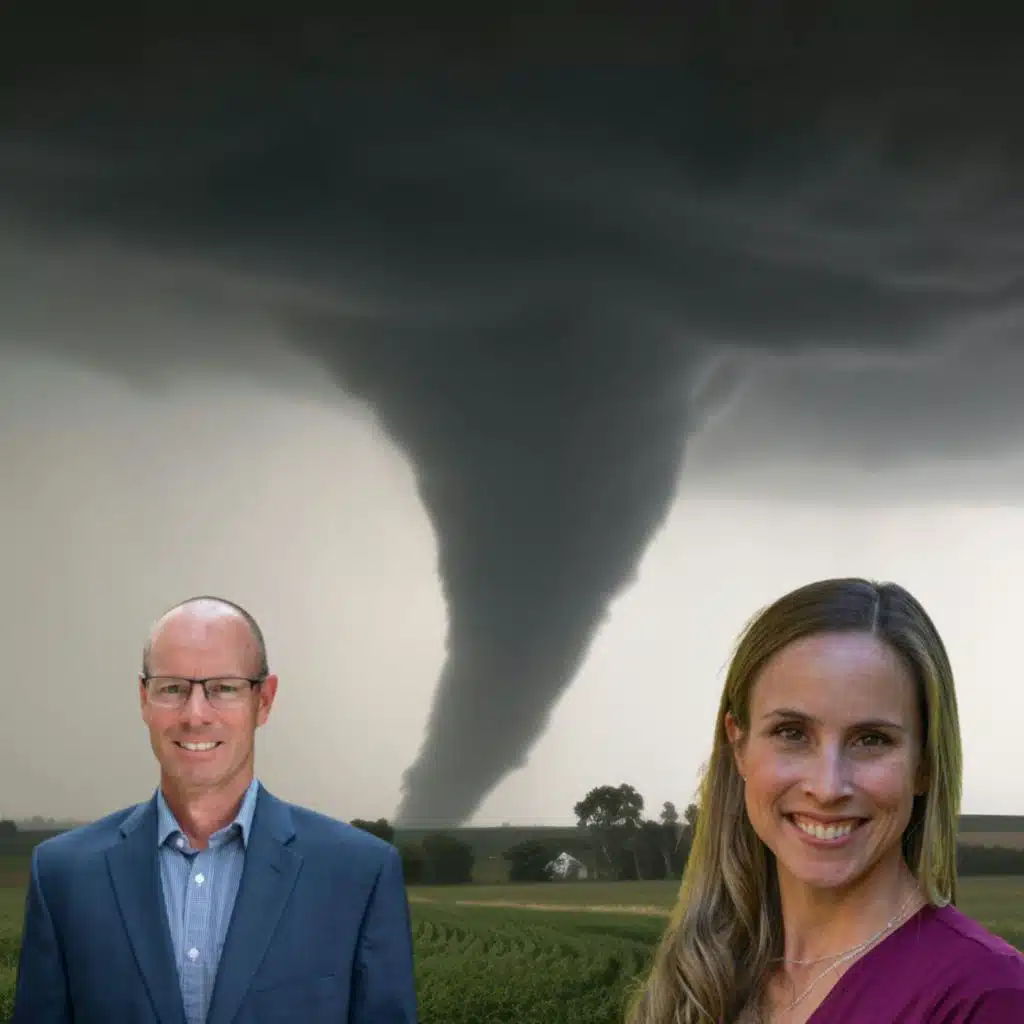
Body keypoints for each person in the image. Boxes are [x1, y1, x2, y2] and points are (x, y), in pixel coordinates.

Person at [627, 577, 1024, 1023]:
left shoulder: (987, 997)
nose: (829, 786)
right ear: (738, 745)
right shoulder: (703, 975)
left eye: (871, 739)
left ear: (924, 764)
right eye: (792, 733)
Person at [13, 595, 419, 1023]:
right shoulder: (63, 875)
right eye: (172, 688)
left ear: (263, 701)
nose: (195, 714)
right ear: (143, 698)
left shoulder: (359, 874)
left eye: (223, 688)